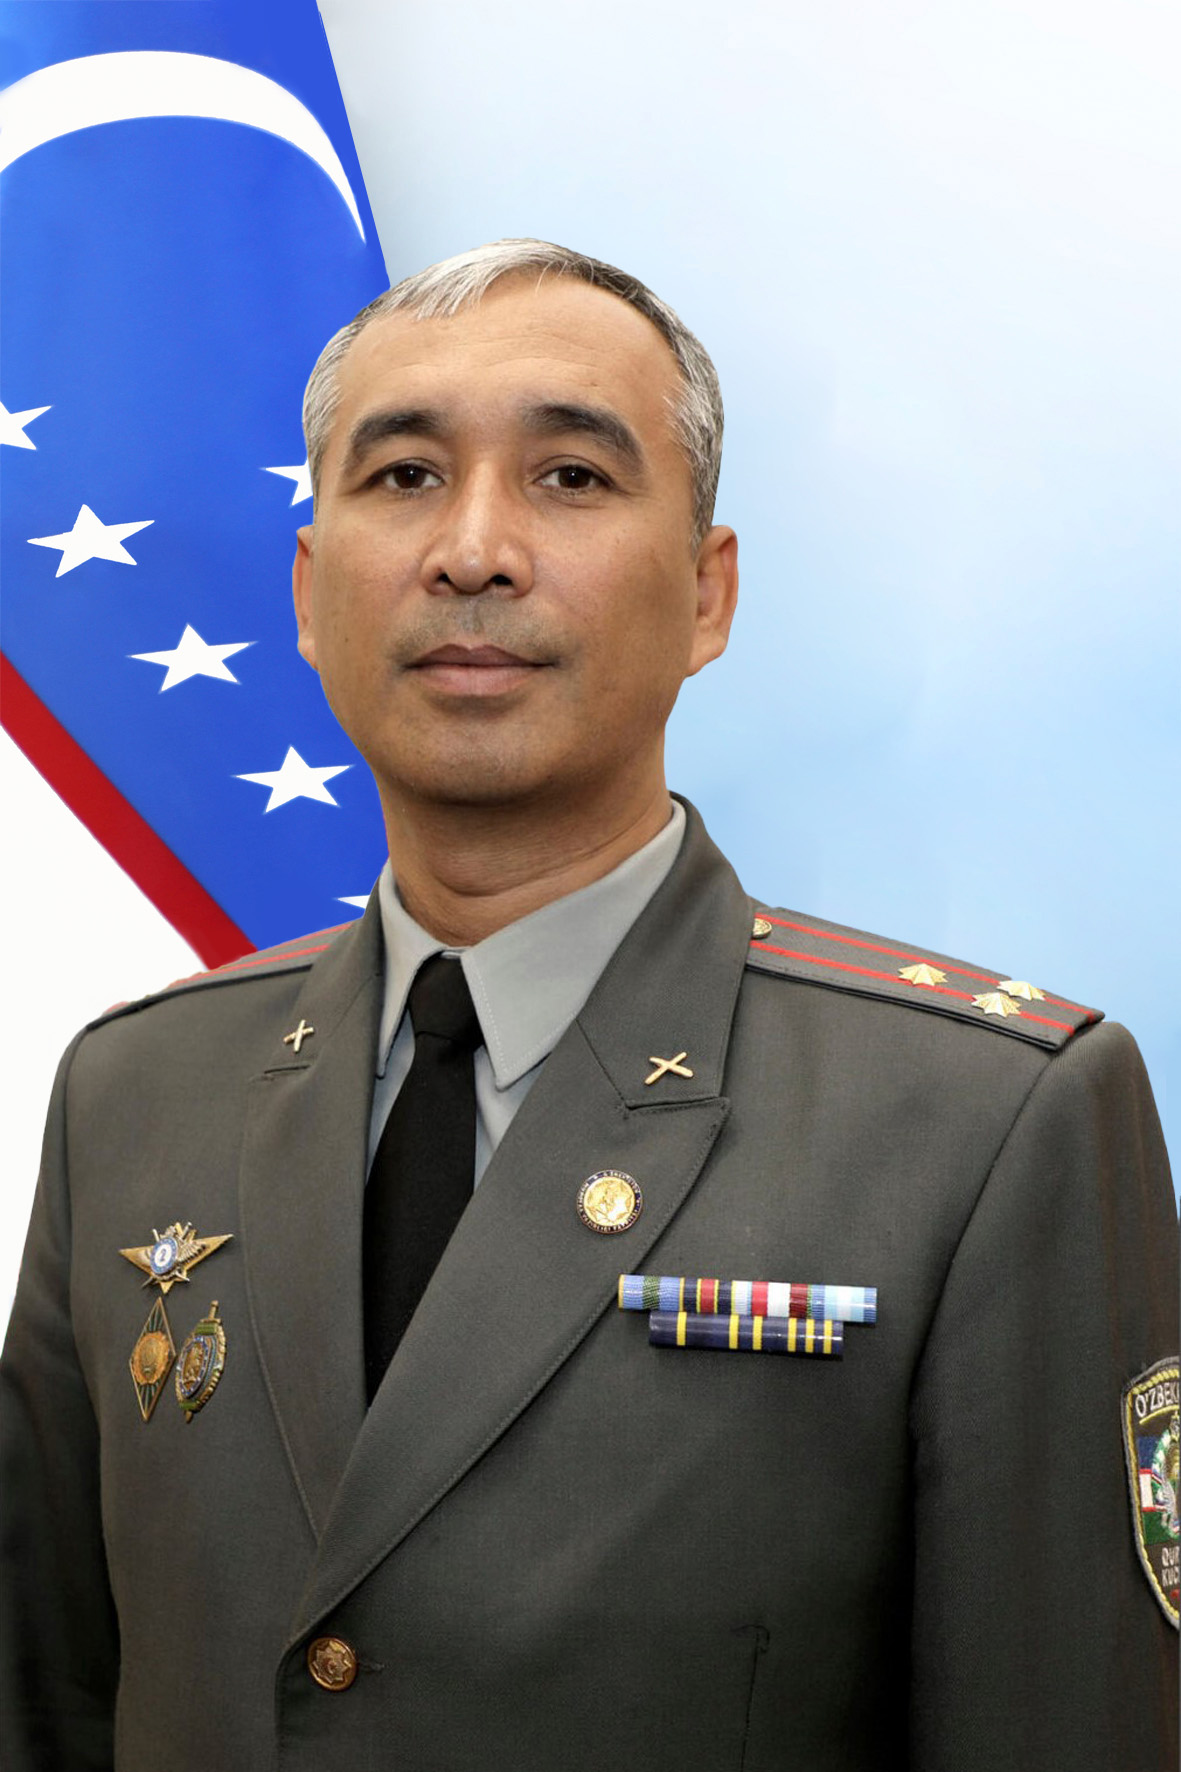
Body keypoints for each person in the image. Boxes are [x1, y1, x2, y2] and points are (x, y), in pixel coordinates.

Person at [1, 239, 1176, 1772]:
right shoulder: (133, 1091)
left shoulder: (986, 1124)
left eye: (568, 476)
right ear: (307, 594)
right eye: (404, 476)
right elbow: (48, 1705)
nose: (472, 550)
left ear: (705, 593)